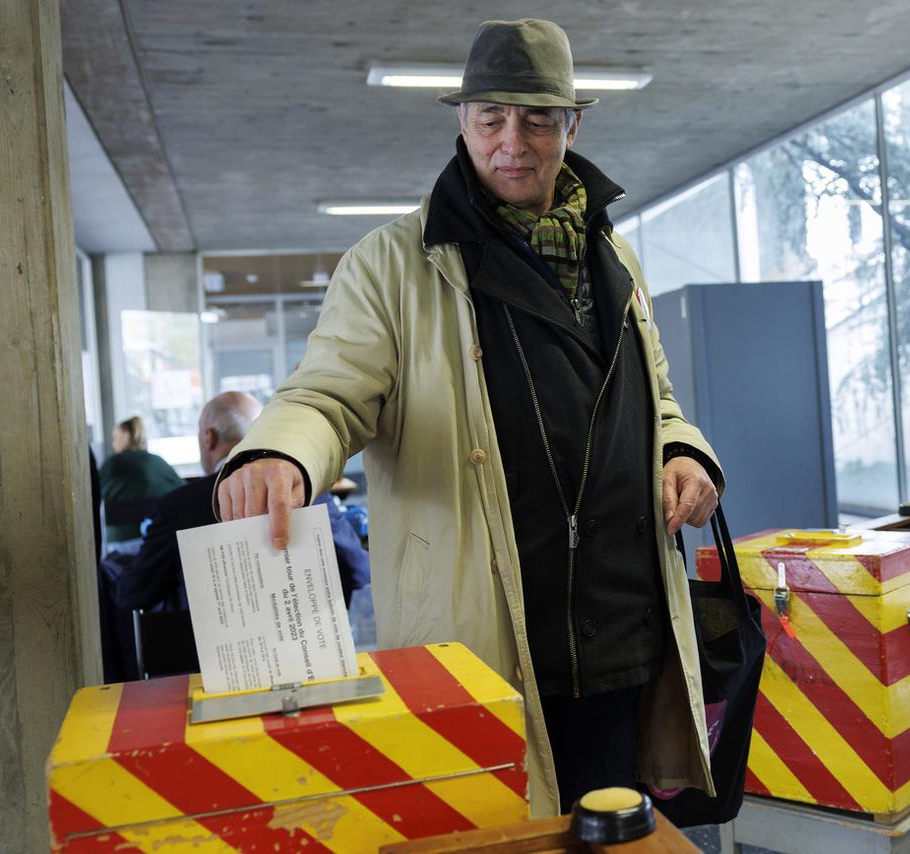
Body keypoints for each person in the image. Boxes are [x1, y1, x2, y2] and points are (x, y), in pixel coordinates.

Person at [215, 19, 722, 816]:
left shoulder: (613, 258)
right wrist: (277, 454)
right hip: (488, 637)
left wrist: (684, 453)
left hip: (623, 629)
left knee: (609, 830)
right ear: (462, 122)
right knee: (493, 828)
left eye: (536, 119)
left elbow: (656, 398)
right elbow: (326, 394)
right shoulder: (393, 265)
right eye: (491, 118)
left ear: (572, 125)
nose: (511, 141)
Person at [113, 391, 370, 614]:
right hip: (314, 662)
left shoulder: (178, 507)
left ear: (208, 438)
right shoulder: (306, 488)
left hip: (206, 666)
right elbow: (358, 570)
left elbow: (134, 594)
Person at [98, 415, 183, 554]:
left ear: (125, 436)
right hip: (162, 539)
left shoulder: (115, 463)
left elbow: (92, 497)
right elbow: (181, 491)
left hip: (122, 543)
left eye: (115, 438)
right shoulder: (159, 462)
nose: (113, 444)